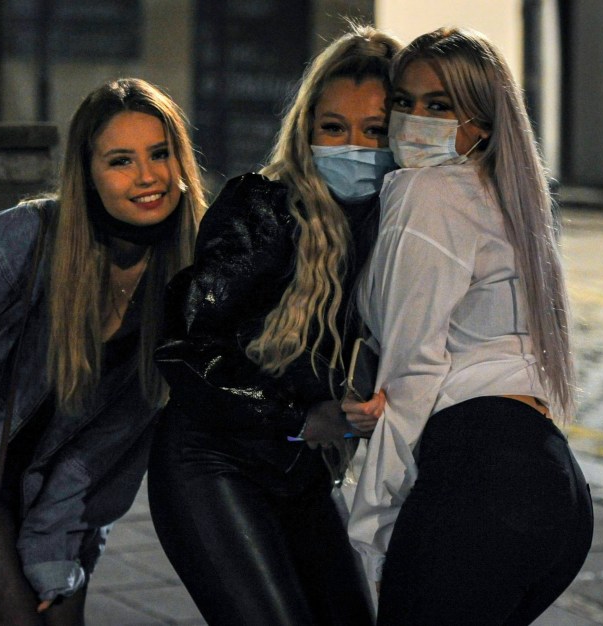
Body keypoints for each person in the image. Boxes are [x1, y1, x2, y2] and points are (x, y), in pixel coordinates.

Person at [0, 77, 206, 625]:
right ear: (88, 174)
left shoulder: (188, 282)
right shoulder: (19, 240)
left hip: (55, 499)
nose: (148, 176)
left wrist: (54, 550)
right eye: (121, 161)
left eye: (160, 154)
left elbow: (100, 454)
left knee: (58, 606)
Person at [147, 24, 402, 626]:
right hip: (214, 464)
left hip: (303, 476)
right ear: (308, 127)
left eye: (376, 131)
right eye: (334, 127)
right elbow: (184, 347)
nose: (355, 147)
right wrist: (299, 416)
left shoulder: (397, 228)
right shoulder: (263, 207)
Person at [344, 27, 594, 625]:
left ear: (479, 122)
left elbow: (414, 369)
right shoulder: (499, 193)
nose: (412, 120)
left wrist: (372, 521)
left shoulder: (426, 191)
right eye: (402, 102)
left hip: (482, 480)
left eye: (439, 106)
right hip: (552, 483)